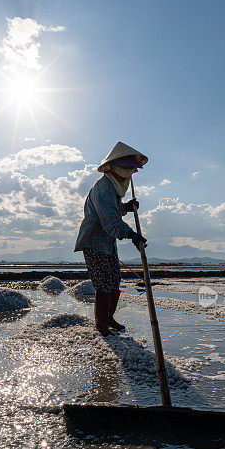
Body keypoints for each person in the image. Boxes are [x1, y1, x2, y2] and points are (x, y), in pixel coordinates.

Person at [74, 141, 148, 336]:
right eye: (130, 169)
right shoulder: (104, 188)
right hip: (95, 243)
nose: (131, 174)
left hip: (107, 244)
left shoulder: (113, 189)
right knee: (103, 284)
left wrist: (126, 207)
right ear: (117, 169)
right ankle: (101, 323)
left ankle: (109, 317)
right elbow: (110, 222)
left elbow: (114, 213)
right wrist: (132, 235)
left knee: (114, 281)